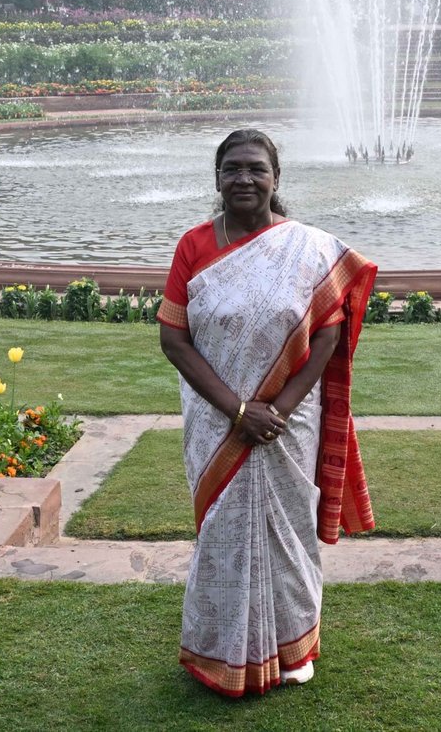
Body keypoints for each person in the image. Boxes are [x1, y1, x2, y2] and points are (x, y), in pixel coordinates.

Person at [159, 127, 378, 697]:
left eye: (256, 168)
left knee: (290, 532)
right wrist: (238, 411)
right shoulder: (193, 246)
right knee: (221, 533)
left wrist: (275, 409)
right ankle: (222, 651)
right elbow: (174, 339)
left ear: (276, 178)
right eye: (232, 168)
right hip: (217, 422)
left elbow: (327, 333)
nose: (244, 178)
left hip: (287, 422)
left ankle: (296, 648)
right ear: (217, 178)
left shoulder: (307, 248)